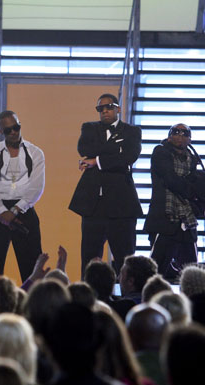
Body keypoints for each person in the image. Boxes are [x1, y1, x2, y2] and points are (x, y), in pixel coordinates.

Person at [69, 93, 142, 276]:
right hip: (93, 205)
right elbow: (84, 149)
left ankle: (128, 296)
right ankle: (88, 298)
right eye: (100, 108)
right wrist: (115, 150)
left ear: (118, 109)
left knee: (125, 258)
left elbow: (129, 157)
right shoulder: (89, 128)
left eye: (109, 107)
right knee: (89, 258)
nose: (105, 111)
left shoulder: (132, 131)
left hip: (121, 205)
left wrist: (97, 161)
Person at [0, 110, 45, 281]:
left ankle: (34, 306)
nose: (14, 132)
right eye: (8, 130)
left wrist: (15, 210)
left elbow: (36, 187)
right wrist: (1, 211)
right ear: (1, 132)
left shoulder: (36, 153)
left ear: (20, 125)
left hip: (24, 209)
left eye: (16, 127)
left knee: (32, 266)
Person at [144, 123, 200, 278]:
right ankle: (151, 300)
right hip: (164, 219)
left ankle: (194, 301)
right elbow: (170, 179)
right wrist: (192, 192)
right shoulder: (160, 152)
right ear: (169, 136)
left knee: (191, 272)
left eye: (185, 133)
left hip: (186, 220)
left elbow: (195, 181)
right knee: (156, 270)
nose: (180, 136)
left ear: (190, 139)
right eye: (176, 132)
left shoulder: (193, 158)